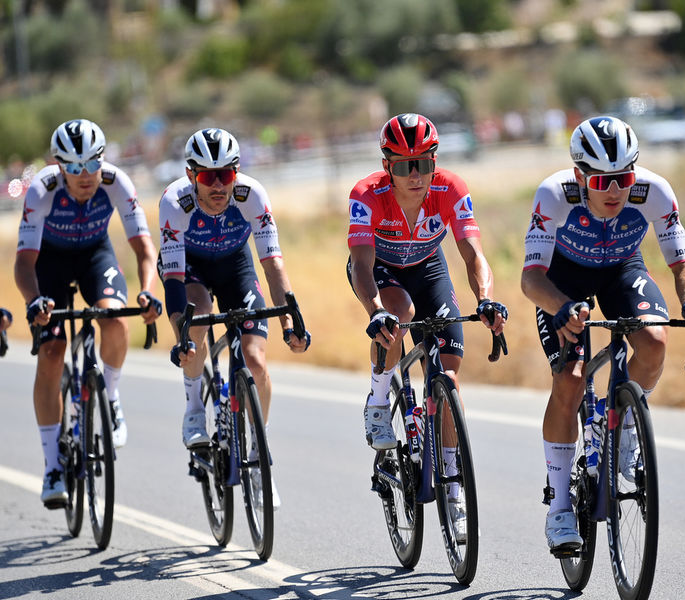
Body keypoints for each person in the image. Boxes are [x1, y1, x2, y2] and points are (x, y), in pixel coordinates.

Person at [521, 115, 685, 552]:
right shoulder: (555, 194)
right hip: (562, 281)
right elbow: (531, 279)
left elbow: (682, 264)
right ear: (579, 175)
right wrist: (562, 307)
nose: (614, 191)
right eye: (601, 181)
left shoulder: (654, 191)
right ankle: (559, 507)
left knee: (655, 340)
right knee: (570, 381)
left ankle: (624, 421)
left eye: (623, 178)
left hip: (622, 270)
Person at [346, 113, 508, 536]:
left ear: (435, 161)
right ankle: (379, 400)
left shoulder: (450, 188)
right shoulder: (366, 195)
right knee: (397, 316)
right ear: (388, 167)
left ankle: (453, 488)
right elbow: (361, 264)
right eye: (403, 165)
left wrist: (486, 299)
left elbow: (473, 255)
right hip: (381, 273)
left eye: (424, 163)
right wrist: (374, 309)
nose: (415, 174)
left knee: (449, 378)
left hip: (429, 269)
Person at [159, 127, 310, 510]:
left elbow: (273, 264)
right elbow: (174, 280)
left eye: (225, 175)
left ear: (236, 173)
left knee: (256, 360)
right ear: (192, 175)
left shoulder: (252, 195)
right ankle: (194, 409)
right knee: (198, 323)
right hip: (190, 271)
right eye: (208, 177)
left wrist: (291, 320)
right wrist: (182, 337)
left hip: (235, 267)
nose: (218, 186)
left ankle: (259, 454)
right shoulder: (175, 203)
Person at [14, 119, 161, 508]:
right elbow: (24, 263)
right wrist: (34, 301)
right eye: (73, 167)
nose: (85, 175)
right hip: (50, 264)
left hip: (96, 255)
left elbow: (146, 250)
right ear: (58, 165)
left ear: (102, 160)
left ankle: (110, 397)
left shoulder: (116, 183)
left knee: (113, 317)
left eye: (91, 164)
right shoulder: (41, 189)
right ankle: (52, 467)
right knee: (52, 351)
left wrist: (147, 292)